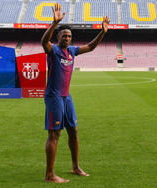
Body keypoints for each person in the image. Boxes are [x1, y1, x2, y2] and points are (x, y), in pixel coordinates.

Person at [41, 3, 110, 183]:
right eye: (64, 35)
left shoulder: (71, 51)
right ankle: (49, 174)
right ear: (58, 37)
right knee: (55, 134)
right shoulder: (54, 50)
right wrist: (54, 23)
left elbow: (91, 47)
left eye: (69, 36)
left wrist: (102, 32)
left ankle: (75, 167)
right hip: (54, 96)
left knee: (73, 130)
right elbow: (44, 42)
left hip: (66, 96)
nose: (67, 38)